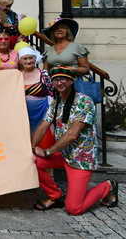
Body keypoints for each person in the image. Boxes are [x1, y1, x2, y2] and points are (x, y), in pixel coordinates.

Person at [31, 67, 117, 213]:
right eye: (56, 79)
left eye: (63, 79)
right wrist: (32, 147)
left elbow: (72, 134)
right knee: (30, 159)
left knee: (74, 209)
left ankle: (108, 186)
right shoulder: (56, 101)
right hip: (63, 155)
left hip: (80, 159)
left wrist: (48, 151)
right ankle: (55, 196)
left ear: (71, 81)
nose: (59, 82)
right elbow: (43, 125)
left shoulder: (84, 101)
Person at [19, 47, 55, 148]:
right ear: (20, 60)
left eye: (31, 58)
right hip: (25, 113)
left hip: (43, 111)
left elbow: (52, 93)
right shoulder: (17, 76)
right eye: (25, 59)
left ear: (35, 59)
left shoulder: (44, 74)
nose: (28, 61)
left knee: (45, 139)